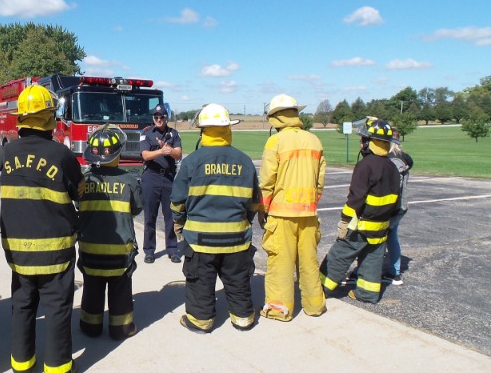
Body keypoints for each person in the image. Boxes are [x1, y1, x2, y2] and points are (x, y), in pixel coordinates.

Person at [0, 84, 83, 373]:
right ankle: (58, 366)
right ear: (50, 118)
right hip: (56, 252)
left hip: (18, 252)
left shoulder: (7, 154)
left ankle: (22, 363)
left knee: (22, 307)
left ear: (22, 118)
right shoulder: (61, 155)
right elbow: (79, 192)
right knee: (57, 310)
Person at [170, 103, 260, 333]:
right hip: (237, 239)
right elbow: (254, 202)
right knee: (238, 280)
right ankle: (243, 318)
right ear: (227, 129)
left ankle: (201, 321)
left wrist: (179, 223)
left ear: (203, 131)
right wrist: (245, 220)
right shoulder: (245, 161)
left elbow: (177, 201)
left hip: (200, 241)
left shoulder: (192, 161)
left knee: (200, 281)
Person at [258, 94, 327, 321]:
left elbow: (267, 181)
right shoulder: (314, 141)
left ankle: (280, 309)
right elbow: (319, 182)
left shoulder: (276, 142)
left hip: (282, 214)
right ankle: (315, 305)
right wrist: (311, 203)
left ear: (276, 118)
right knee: (309, 262)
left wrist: (262, 209)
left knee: (281, 263)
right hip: (308, 214)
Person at [319, 118, 401, 303]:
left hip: (361, 225)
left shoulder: (366, 165)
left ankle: (321, 288)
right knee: (372, 259)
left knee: (339, 255)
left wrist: (345, 220)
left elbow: (356, 197)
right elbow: (396, 200)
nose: (360, 142)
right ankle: (367, 294)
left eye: (363, 139)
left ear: (368, 142)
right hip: (381, 226)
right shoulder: (392, 166)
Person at [77, 124, 143, 340]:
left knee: (92, 288)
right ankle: (121, 328)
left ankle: (90, 326)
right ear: (118, 152)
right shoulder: (129, 180)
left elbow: (78, 206)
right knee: (120, 290)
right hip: (119, 252)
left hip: (90, 251)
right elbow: (136, 208)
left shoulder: (84, 180)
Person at [139, 103, 183, 264]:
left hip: (168, 178)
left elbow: (178, 154)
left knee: (170, 216)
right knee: (150, 215)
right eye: (156, 117)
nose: (159, 119)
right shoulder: (146, 133)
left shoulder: (174, 134)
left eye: (162, 117)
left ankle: (172, 249)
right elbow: (145, 155)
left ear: (166, 118)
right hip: (151, 177)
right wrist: (161, 151)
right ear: (153, 118)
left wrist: (169, 150)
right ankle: (149, 250)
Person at [385, 141, 413, 285]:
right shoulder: (401, 157)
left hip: (393, 207)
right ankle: (394, 272)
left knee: (379, 237)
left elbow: (394, 186)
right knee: (391, 237)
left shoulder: (394, 160)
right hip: (399, 206)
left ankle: (394, 273)